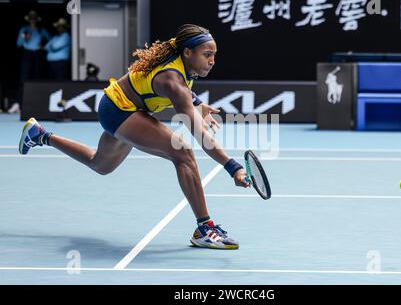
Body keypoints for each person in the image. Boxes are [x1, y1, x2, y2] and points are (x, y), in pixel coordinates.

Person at [18, 24, 249, 250]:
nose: (212, 60)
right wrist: (233, 167)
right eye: (207, 54)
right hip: (120, 111)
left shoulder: (183, 65)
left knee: (99, 164)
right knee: (182, 152)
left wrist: (197, 103)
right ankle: (205, 229)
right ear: (188, 52)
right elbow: (202, 135)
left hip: (118, 106)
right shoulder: (172, 81)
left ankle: (40, 135)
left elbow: (185, 88)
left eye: (214, 55)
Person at [11, 10, 50, 113]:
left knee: (36, 78)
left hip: (37, 54)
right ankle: (19, 104)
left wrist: (43, 47)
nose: (33, 20)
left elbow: (50, 39)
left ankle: (35, 104)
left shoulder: (41, 30)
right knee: (24, 78)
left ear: (36, 20)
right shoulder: (24, 29)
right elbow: (18, 43)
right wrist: (25, 38)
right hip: (27, 54)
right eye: (31, 19)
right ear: (29, 20)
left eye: (34, 19)